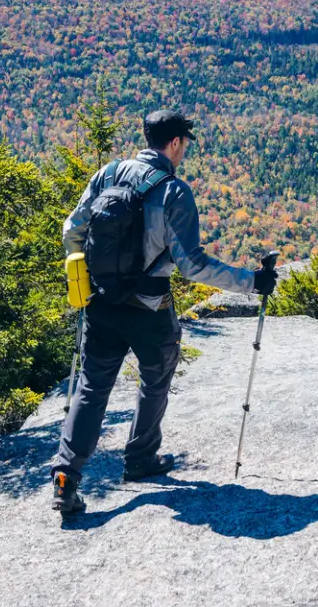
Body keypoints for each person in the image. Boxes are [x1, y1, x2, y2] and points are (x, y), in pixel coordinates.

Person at [49, 109, 278, 518]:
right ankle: (140, 459)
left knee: (91, 388)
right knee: (155, 380)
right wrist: (252, 282)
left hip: (100, 303)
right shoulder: (174, 192)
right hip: (151, 309)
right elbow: (193, 265)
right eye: (184, 143)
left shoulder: (108, 174)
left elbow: (72, 230)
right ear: (174, 143)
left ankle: (66, 476)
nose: (185, 150)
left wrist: (82, 277)